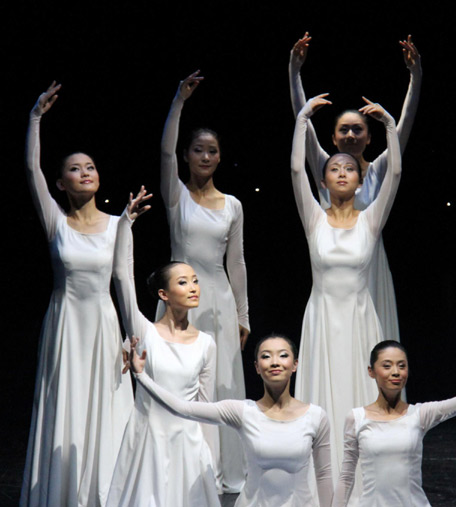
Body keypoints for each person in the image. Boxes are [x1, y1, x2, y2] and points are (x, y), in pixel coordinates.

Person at [21, 82, 134, 507]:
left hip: (105, 325)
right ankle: (64, 491)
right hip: (66, 324)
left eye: (90, 166)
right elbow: (31, 171)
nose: (85, 171)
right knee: (65, 404)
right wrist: (35, 119)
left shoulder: (118, 223)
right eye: (74, 168)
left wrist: (131, 335)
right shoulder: (56, 222)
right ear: (61, 182)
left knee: (105, 406)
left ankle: (104, 494)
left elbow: (124, 284)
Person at [291, 92, 402, 476]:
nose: (341, 172)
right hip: (321, 318)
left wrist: (389, 125)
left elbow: (397, 174)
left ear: (359, 180)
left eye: (349, 169)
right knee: (322, 394)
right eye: (333, 168)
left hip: (359, 318)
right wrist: (302, 116)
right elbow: (294, 171)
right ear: (323, 179)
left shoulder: (371, 220)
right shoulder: (314, 219)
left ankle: (360, 473)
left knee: (357, 390)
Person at [289, 32, 422, 344]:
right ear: (333, 138)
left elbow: (403, 128)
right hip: (333, 257)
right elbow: (302, 123)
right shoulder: (324, 165)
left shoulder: (378, 170)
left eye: (358, 129)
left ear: (369, 137)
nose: (350, 134)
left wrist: (415, 76)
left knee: (376, 344)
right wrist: (295, 73)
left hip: (369, 261)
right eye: (343, 130)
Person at [158, 70, 249, 491]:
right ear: (188, 155)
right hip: (178, 298)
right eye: (198, 150)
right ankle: (179, 467)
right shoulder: (176, 196)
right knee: (178, 380)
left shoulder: (233, 205)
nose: (206, 157)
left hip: (219, 300)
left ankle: (221, 467)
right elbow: (164, 154)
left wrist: (243, 314)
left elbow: (238, 262)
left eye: (212, 151)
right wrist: (178, 102)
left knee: (221, 382)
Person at [106, 192, 220, 507]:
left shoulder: (206, 343)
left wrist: (209, 459)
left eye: (195, 280)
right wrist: (125, 225)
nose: (193, 287)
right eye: (183, 282)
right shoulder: (144, 333)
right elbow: (121, 279)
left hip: (188, 443)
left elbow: (207, 406)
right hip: (149, 439)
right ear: (163, 293)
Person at [129, 333, 334, 507]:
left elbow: (324, 474)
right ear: (256, 367)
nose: (274, 362)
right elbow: (184, 408)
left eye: (283, 355)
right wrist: (141, 376)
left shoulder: (315, 416)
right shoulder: (243, 411)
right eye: (266, 356)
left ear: (295, 364)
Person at [333, 332, 456, 506]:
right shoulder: (356, 418)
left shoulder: (420, 415)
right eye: (387, 366)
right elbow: (347, 476)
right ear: (371, 371)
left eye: (402, 365)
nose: (396, 372)